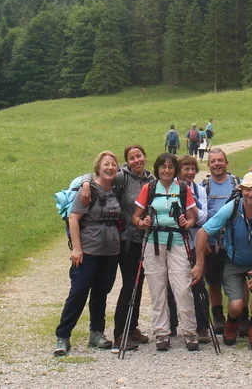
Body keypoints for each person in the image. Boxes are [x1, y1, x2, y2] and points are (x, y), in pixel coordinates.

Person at [192, 172, 252, 352]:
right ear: (241, 190)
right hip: (233, 261)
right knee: (235, 305)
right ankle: (232, 321)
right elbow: (203, 233)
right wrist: (199, 264)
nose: (251, 194)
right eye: (248, 189)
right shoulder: (231, 208)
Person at [77, 145, 153, 351]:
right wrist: (85, 182)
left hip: (145, 240)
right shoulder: (122, 177)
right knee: (129, 285)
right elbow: (95, 174)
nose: (136, 160)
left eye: (139, 156)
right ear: (127, 162)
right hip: (126, 240)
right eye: (131, 158)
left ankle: (133, 327)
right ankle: (121, 333)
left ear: (144, 157)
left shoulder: (151, 180)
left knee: (138, 285)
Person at [54, 151, 122, 356]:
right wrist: (76, 249)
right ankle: (63, 336)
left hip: (111, 251)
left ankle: (96, 333)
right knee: (79, 292)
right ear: (98, 168)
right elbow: (73, 219)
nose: (110, 168)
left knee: (101, 292)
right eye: (106, 164)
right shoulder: (89, 189)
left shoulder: (116, 188)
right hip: (88, 250)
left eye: (113, 164)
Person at [133, 153, 200, 351]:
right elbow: (135, 216)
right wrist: (142, 222)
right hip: (154, 242)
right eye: (163, 167)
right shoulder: (150, 188)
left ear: (175, 170)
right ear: (157, 169)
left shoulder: (183, 189)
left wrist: (186, 223)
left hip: (178, 242)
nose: (167, 170)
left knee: (182, 288)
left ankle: (190, 331)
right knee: (157, 288)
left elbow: (192, 218)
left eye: (170, 167)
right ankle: (162, 333)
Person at [168, 155, 211, 342]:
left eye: (193, 169)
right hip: (174, 242)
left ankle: (202, 326)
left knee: (197, 283)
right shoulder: (170, 188)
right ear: (179, 170)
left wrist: (189, 202)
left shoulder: (199, 189)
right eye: (186, 168)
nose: (190, 172)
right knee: (170, 284)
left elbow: (202, 217)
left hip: (193, 243)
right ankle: (171, 325)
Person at [200, 147, 238, 334]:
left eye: (220, 160)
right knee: (213, 281)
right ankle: (218, 316)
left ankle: (239, 316)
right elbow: (201, 216)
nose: (217, 164)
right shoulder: (204, 186)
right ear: (208, 165)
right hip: (213, 241)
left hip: (234, 241)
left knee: (238, 279)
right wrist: (204, 240)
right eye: (213, 161)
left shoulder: (236, 182)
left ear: (226, 162)